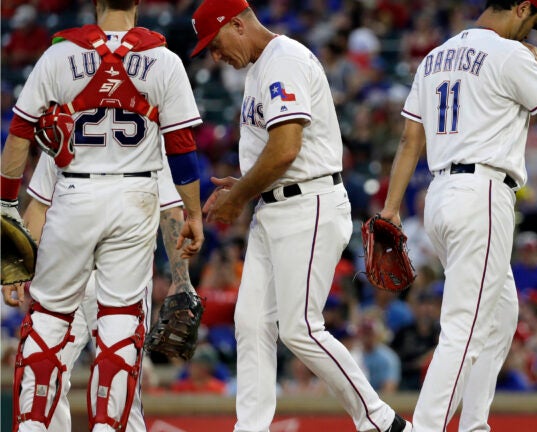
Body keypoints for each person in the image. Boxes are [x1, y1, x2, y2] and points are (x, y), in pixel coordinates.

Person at [190, 1, 411, 431]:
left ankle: (383, 423)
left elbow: (286, 148)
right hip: (275, 206)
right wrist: (243, 187)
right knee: (251, 323)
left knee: (300, 329)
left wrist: (240, 196)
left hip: (307, 205)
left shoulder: (283, 60)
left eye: (214, 45)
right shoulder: (260, 67)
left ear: (237, 24)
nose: (215, 57)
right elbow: (279, 153)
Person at [0, 0, 204, 430]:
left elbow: (19, 136)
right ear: (138, 3)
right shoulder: (163, 61)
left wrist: (9, 239)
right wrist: (194, 218)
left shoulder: (58, 55)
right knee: (121, 329)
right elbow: (183, 151)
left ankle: (31, 427)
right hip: (136, 192)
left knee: (46, 326)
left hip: (75, 188)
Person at [377, 0, 537, 429]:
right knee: (464, 327)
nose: (533, 33)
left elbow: (411, 140)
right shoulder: (511, 53)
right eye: (535, 21)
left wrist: (391, 208)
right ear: (522, 8)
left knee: (501, 314)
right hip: (482, 195)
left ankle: (474, 425)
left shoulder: (434, 56)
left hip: (440, 197)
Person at [2, 153, 193, 432]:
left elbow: (38, 208)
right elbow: (172, 212)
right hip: (96, 276)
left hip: (86, 274)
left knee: (52, 379)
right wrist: (181, 278)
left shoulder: (65, 120)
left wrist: (16, 267)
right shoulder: (144, 124)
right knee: (104, 389)